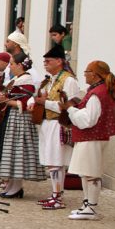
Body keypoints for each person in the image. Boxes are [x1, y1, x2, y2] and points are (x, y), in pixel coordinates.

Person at [0, 53, 45, 199]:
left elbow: (24, 102)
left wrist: (6, 101)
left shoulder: (26, 80)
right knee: (9, 152)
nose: (10, 66)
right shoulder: (17, 79)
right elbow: (8, 95)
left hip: (18, 120)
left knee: (17, 152)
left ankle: (16, 187)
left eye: (12, 64)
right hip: (9, 117)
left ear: (20, 65)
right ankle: (11, 185)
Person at [64, 60, 115, 220]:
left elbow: (89, 120)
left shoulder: (98, 93)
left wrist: (71, 109)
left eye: (86, 72)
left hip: (92, 137)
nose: (84, 75)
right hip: (92, 137)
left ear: (94, 74)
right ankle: (87, 205)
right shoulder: (100, 90)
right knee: (85, 172)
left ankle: (91, 208)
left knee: (91, 174)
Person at [36, 45, 81, 210]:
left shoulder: (69, 80)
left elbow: (70, 105)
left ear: (59, 61)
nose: (45, 64)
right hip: (47, 122)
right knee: (51, 161)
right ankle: (55, 193)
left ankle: (58, 197)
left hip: (58, 123)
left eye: (48, 61)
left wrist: (44, 102)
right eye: (44, 61)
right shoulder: (51, 79)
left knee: (56, 161)